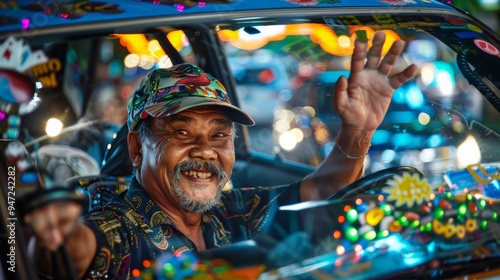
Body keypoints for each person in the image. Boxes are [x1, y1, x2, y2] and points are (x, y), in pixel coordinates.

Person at [23, 32, 417, 279]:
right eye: (181, 132)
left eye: (219, 135)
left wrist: (359, 130)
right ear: (136, 147)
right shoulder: (116, 227)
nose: (205, 151)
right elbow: (74, 255)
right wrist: (56, 236)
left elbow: (328, 186)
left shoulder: (237, 209)